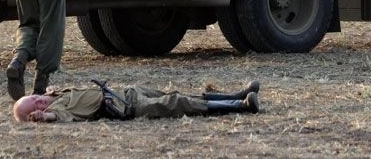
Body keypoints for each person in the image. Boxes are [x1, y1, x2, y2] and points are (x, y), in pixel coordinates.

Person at [13, 80, 261, 122]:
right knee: (176, 103)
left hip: (128, 92)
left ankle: (236, 95)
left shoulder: (55, 94)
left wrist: (50, 92)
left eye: (35, 99)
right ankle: (242, 107)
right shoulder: (57, 111)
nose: (39, 102)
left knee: (179, 95)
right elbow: (57, 117)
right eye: (34, 107)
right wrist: (45, 117)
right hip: (127, 107)